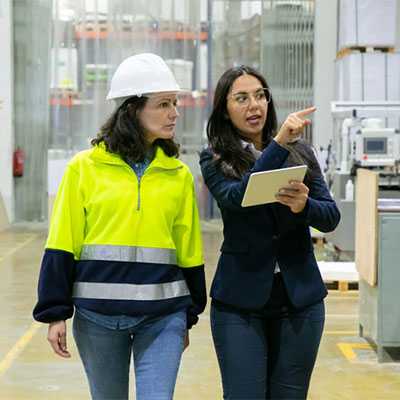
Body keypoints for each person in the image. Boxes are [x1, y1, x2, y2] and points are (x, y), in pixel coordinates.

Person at [33, 53, 207, 400]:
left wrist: (188, 314)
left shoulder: (178, 174)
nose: (174, 112)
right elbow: (63, 240)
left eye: (174, 103)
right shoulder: (84, 169)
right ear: (132, 109)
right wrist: (55, 313)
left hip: (163, 318)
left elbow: (188, 247)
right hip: (97, 318)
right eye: (163, 104)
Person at [200, 65, 340, 400]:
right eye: (242, 98)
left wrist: (303, 206)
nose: (255, 105)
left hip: (299, 301)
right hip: (240, 303)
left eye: (260, 95)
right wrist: (277, 144)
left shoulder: (301, 153)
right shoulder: (215, 158)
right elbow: (238, 200)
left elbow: (330, 217)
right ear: (224, 109)